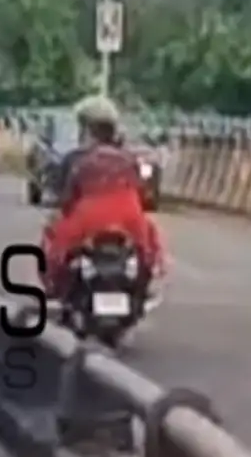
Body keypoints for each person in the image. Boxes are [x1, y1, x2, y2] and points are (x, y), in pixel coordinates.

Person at [40, 95, 167, 302]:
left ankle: (56, 287)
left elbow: (65, 198)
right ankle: (143, 287)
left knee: (54, 239)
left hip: (87, 219)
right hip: (130, 218)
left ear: (87, 129)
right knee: (148, 243)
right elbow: (142, 192)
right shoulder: (130, 158)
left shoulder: (75, 159)